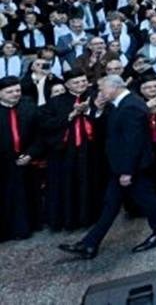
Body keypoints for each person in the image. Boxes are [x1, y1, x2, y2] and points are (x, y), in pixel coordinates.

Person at [58, 75, 156, 258]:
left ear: (113, 87)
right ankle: (89, 244)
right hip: (120, 165)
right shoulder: (120, 104)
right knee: (111, 204)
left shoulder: (131, 106)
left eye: (102, 88)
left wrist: (127, 171)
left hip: (133, 167)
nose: (100, 92)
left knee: (148, 200)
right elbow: (108, 128)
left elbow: (133, 143)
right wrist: (98, 109)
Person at [42, 72, 103, 231]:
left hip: (90, 150)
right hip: (65, 151)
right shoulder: (56, 101)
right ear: (67, 84)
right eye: (76, 82)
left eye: (83, 81)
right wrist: (71, 115)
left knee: (90, 182)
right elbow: (46, 125)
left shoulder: (96, 97)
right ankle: (69, 220)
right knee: (67, 186)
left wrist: (89, 111)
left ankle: (90, 217)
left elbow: (105, 119)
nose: (81, 84)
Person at [0, 76, 43, 242]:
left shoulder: (29, 107)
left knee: (26, 196)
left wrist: (31, 154)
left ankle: (25, 228)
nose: (15, 94)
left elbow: (40, 135)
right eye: (9, 91)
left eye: (17, 90)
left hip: (25, 160)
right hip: (3, 163)